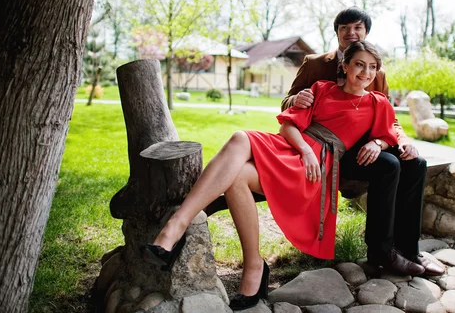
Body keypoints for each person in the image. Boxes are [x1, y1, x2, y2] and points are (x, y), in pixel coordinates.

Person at [143, 41, 400, 311]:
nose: (366, 72)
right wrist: (305, 150)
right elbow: (289, 126)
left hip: (315, 169)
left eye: (372, 67)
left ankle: (199, 239)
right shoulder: (321, 89)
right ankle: (191, 231)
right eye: (359, 64)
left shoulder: (377, 103)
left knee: (238, 174)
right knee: (240, 139)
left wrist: (378, 144)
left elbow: (389, 133)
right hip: (294, 148)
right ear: (345, 66)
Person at [282, 7, 444, 277]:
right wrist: (297, 100)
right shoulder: (315, 63)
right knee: (389, 165)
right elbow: (288, 103)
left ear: (365, 33)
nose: (351, 32)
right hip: (328, 145)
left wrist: (397, 141)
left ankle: (409, 249)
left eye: (357, 28)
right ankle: (382, 251)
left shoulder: (376, 72)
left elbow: (388, 116)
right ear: (337, 33)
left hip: (368, 141)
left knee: (415, 162)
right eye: (344, 28)